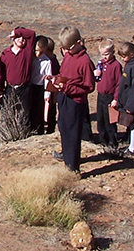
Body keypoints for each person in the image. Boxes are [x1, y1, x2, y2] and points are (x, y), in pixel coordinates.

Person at [51, 27, 96, 172]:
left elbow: (89, 86)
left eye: (68, 47)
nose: (66, 51)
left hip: (75, 102)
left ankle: (73, 168)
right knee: (63, 127)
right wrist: (56, 80)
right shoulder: (68, 56)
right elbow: (63, 73)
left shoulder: (85, 61)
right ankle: (66, 156)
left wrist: (68, 88)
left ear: (79, 42)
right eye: (64, 48)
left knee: (72, 132)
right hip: (64, 97)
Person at [0, 27, 37, 128]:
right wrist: (0, 89)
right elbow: (1, 73)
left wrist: (16, 32)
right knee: (8, 113)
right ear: (13, 39)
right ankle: (9, 134)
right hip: (10, 88)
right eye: (18, 37)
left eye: (23, 38)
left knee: (24, 114)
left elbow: (32, 34)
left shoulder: (27, 51)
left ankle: (23, 134)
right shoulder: (5, 53)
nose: (21, 39)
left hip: (25, 88)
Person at [94, 39, 121, 149]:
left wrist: (115, 98)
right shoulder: (101, 64)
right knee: (100, 119)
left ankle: (112, 141)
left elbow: (119, 83)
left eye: (106, 54)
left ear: (113, 52)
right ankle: (102, 139)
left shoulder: (116, 66)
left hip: (110, 97)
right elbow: (98, 78)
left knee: (110, 120)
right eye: (102, 54)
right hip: (100, 95)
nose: (104, 56)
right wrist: (96, 75)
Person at [30, 36, 54, 135]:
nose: (38, 54)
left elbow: (48, 79)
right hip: (30, 86)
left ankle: (39, 130)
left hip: (40, 87)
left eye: (41, 51)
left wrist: (47, 95)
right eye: (36, 51)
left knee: (39, 110)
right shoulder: (31, 58)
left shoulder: (47, 62)